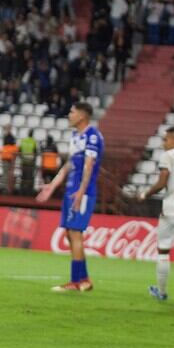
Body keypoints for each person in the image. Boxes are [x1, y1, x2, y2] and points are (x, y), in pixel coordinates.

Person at [36, 102, 104, 292]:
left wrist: (82, 191)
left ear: (82, 115)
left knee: (75, 233)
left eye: (72, 112)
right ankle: (85, 280)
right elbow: (69, 165)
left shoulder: (93, 136)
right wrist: (53, 186)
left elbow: (89, 165)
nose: (69, 115)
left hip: (82, 192)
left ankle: (75, 282)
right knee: (70, 233)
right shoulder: (76, 136)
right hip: (71, 190)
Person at [137, 126, 174, 301]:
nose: (163, 143)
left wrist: (144, 194)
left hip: (171, 210)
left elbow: (162, 182)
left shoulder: (169, 156)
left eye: (166, 139)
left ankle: (161, 292)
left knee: (163, 251)